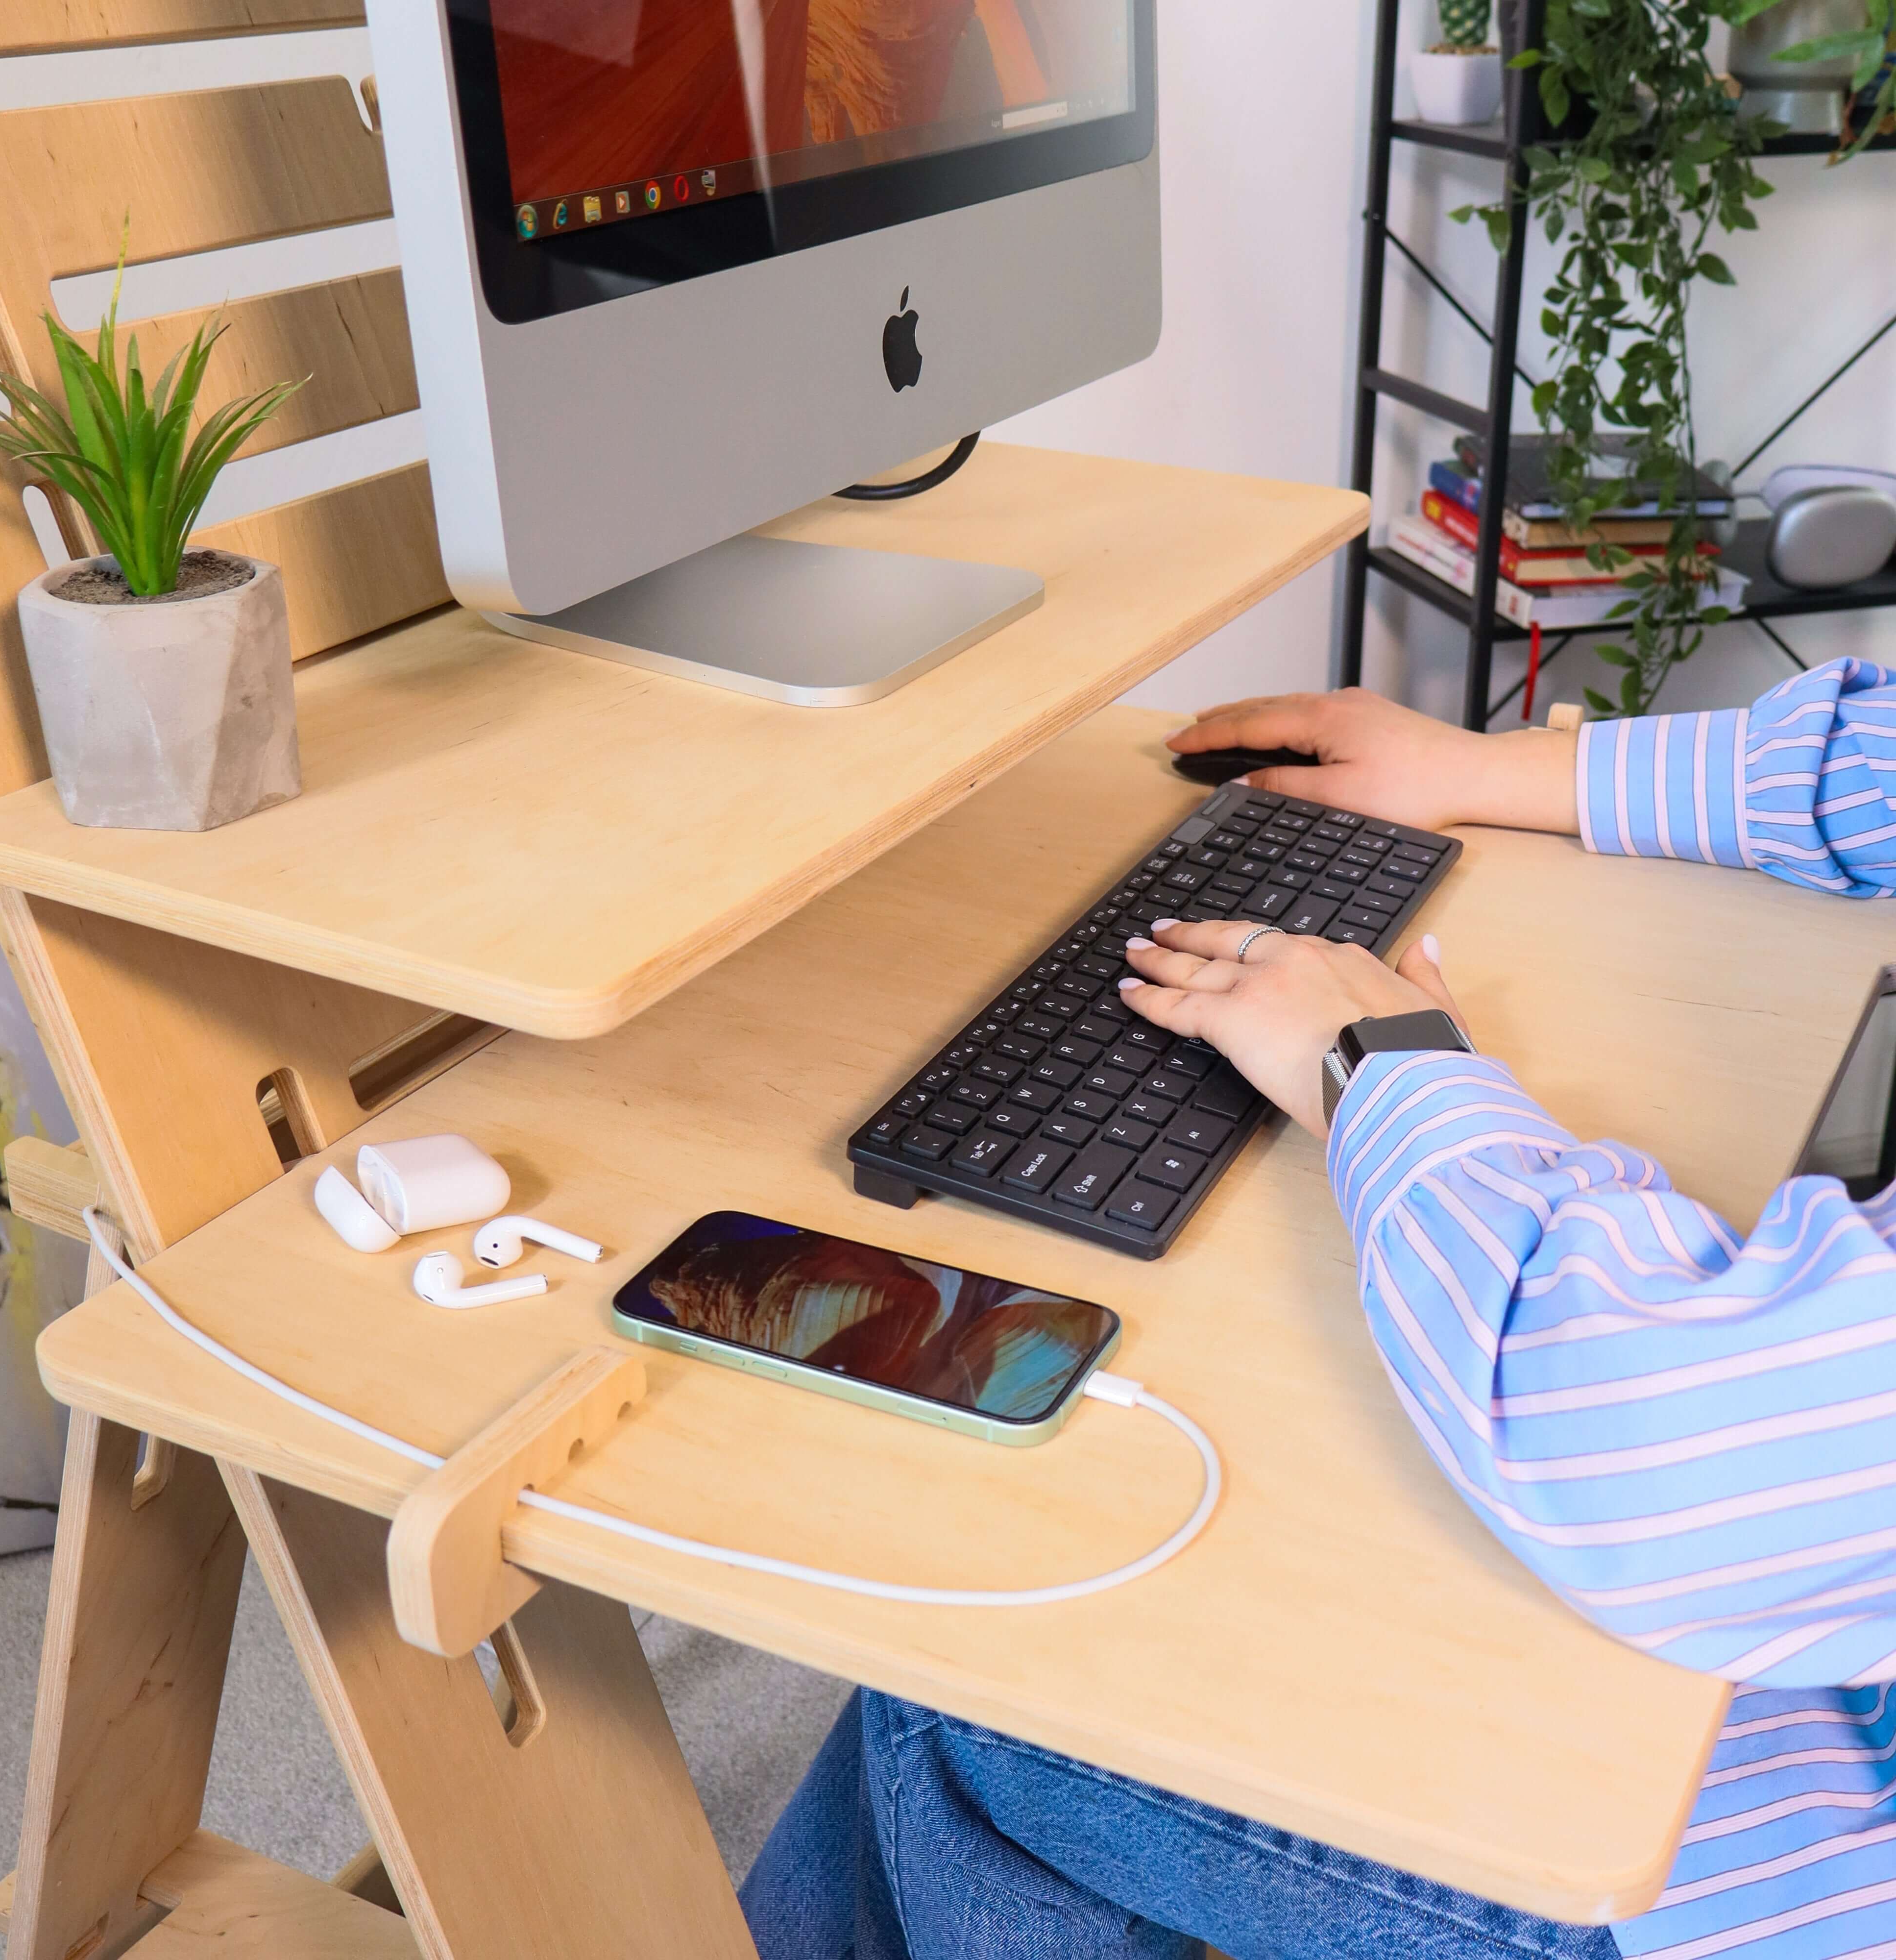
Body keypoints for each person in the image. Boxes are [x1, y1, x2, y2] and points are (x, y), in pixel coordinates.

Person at [741, 657, 1896, 1960]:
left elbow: (1650, 1452)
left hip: (1810, 1855)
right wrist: (1477, 772)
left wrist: (1391, 1075)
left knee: (955, 1707)